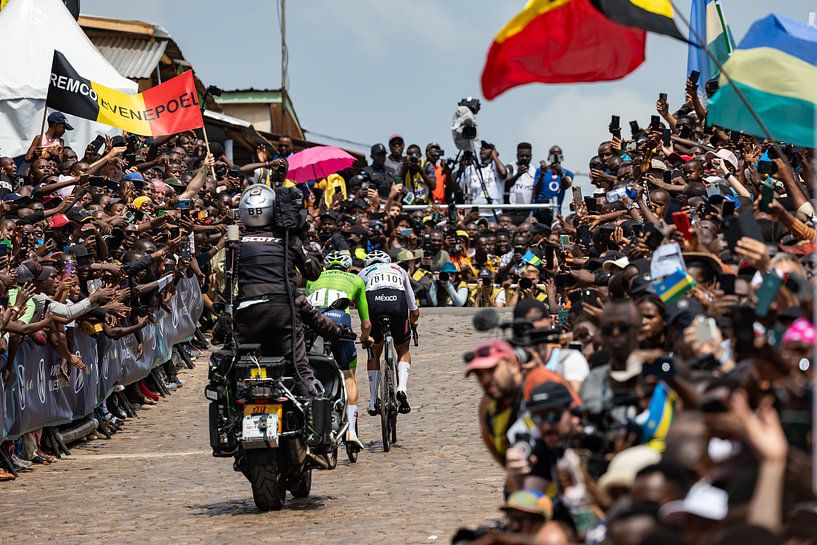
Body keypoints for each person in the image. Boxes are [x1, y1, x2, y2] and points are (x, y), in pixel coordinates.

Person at [233, 184, 335, 396]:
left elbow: (230, 284)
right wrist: (303, 238)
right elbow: (314, 272)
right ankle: (313, 414)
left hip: (246, 313)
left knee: (237, 366)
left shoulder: (237, 242)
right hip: (283, 311)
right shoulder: (289, 240)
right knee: (300, 369)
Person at [304, 250, 371, 449]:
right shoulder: (356, 280)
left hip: (313, 323)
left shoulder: (313, 280)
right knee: (348, 375)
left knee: (311, 370)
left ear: (325, 268)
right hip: (339, 320)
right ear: (348, 268)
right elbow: (366, 323)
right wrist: (365, 338)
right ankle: (350, 430)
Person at [359, 250, 419, 415]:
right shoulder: (399, 270)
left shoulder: (363, 273)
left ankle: (372, 401)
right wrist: (412, 323)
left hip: (374, 306)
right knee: (403, 349)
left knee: (374, 352)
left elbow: (358, 302)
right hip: (396, 304)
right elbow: (413, 307)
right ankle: (402, 387)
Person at [533, 146, 573, 213]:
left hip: (556, 212)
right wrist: (542, 174)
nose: (556, 155)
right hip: (539, 211)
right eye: (553, 153)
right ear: (548, 157)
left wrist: (560, 173)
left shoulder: (568, 173)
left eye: (558, 153)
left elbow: (566, 186)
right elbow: (536, 191)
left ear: (562, 157)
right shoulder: (539, 171)